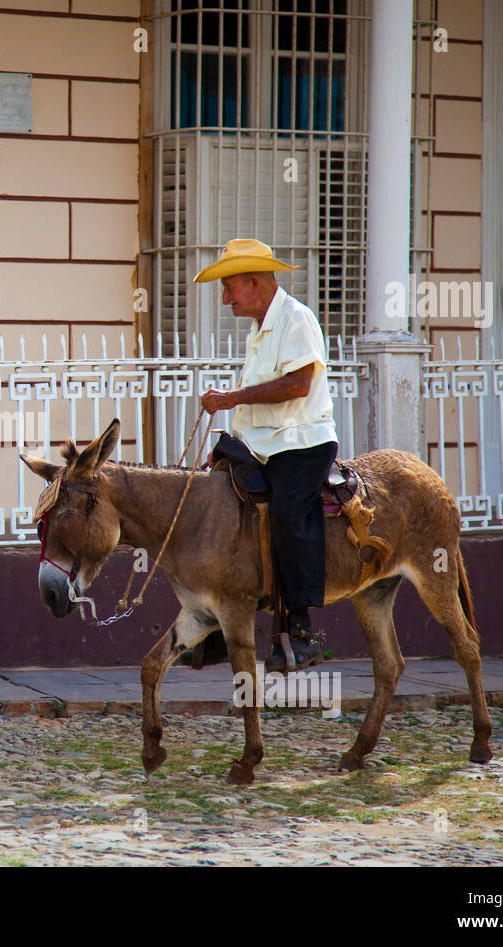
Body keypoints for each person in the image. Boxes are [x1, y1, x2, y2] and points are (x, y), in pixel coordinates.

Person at [183, 238, 338, 673]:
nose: (226, 297)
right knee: (217, 509)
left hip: (300, 443)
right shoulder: (260, 329)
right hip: (262, 445)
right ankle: (217, 626)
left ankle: (303, 631)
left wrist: (231, 398)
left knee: (290, 515)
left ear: (254, 282)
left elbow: (298, 385)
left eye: (230, 287)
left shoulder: (296, 319)